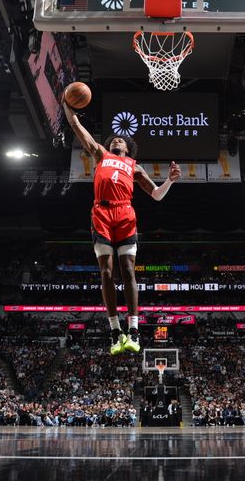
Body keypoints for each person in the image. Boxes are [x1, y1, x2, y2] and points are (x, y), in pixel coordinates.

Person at [62, 101, 181, 355]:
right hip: (101, 213)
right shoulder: (100, 154)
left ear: (128, 148)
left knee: (128, 270)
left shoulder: (135, 167)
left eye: (121, 140)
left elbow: (157, 196)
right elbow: (75, 125)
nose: (116, 141)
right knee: (106, 273)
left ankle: (134, 330)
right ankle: (115, 331)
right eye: (113, 140)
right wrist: (66, 105)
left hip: (125, 213)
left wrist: (169, 180)